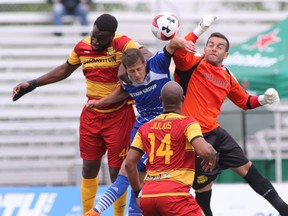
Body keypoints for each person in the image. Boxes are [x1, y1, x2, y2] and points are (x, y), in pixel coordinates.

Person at [12, 13, 152, 216]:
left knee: (116, 172)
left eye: (100, 38)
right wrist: (32, 84)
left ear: (111, 36)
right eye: (93, 35)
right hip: (91, 114)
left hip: (119, 116)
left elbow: (147, 55)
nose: (94, 41)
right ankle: (87, 213)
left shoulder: (122, 43)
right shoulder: (82, 46)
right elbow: (64, 69)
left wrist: (124, 62)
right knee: (88, 168)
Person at [173, 29, 288, 216]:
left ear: (226, 55)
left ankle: (283, 209)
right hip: (194, 136)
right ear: (205, 47)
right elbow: (178, 51)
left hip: (215, 132)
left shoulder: (227, 75)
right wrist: (198, 30)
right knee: (203, 187)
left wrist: (263, 99)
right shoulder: (193, 62)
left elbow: (244, 101)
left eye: (219, 47)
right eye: (210, 44)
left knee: (248, 169)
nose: (214, 49)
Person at [83, 36, 196, 216]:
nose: (136, 74)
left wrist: (185, 43)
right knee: (130, 170)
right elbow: (120, 93)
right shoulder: (127, 81)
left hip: (165, 124)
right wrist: (99, 103)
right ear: (126, 71)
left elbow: (172, 44)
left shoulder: (158, 63)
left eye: (138, 69)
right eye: (131, 71)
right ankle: (95, 211)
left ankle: (97, 211)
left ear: (145, 63)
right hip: (144, 126)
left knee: (136, 174)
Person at [124, 81, 217, 216]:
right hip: (175, 196)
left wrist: (138, 193)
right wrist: (211, 154)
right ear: (183, 99)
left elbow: (129, 164)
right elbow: (205, 151)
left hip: (149, 197)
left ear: (161, 100)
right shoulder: (188, 123)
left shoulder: (145, 127)